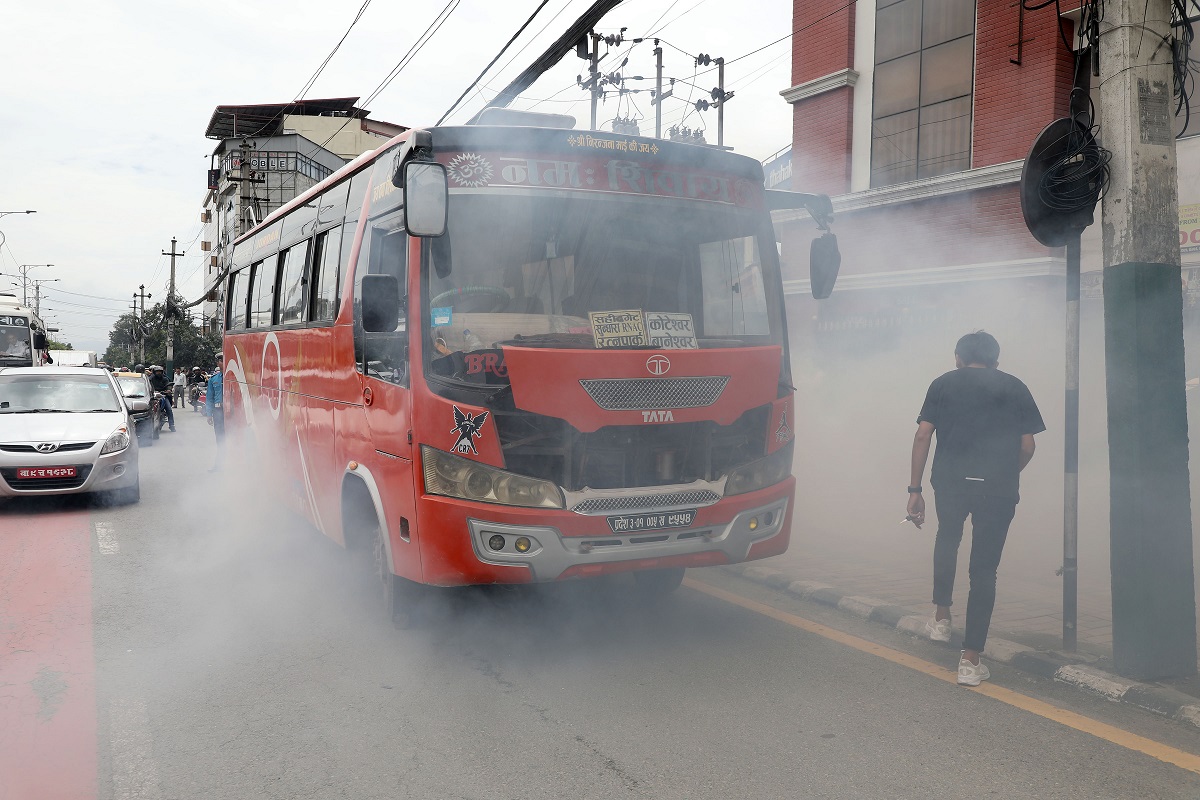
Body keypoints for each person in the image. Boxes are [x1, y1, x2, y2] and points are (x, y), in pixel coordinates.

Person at [906, 331, 1045, 687]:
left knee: (947, 537)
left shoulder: (942, 384)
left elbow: (923, 435)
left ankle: (940, 619)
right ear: (996, 360)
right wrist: (1004, 474)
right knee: (984, 571)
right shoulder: (1015, 386)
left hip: (950, 481)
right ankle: (970, 660)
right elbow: (1028, 446)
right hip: (996, 489)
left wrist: (915, 490)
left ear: (958, 357)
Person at [205, 354, 224, 472]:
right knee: (220, 439)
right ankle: (220, 465)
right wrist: (209, 414)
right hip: (219, 412)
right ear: (218, 363)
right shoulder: (214, 379)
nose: (222, 362)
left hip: (232, 412)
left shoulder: (233, 376)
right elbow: (209, 398)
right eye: (221, 361)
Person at [148, 365, 176, 432]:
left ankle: (172, 425)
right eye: (157, 372)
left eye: (160, 372)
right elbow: (148, 386)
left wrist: (168, 390)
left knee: (169, 409)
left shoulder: (165, 379)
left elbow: (168, 385)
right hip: (154, 396)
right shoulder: (150, 379)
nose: (159, 373)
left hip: (163, 396)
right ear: (154, 372)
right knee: (148, 410)